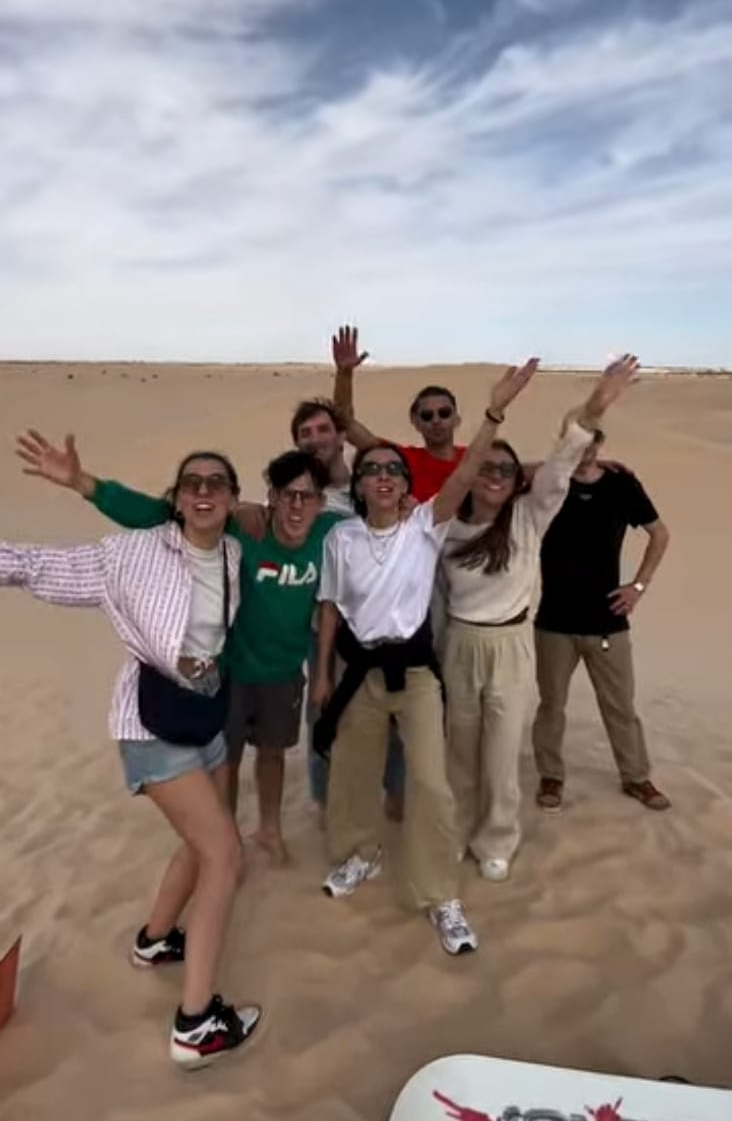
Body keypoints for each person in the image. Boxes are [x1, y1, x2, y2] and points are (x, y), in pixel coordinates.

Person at [1, 450, 261, 1069]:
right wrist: (83, 484)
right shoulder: (133, 553)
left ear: (231, 497)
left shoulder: (232, 553)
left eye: (216, 483)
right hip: (151, 726)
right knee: (225, 855)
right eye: (192, 483)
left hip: (203, 714)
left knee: (203, 839)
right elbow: (40, 566)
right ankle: (195, 1025)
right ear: (176, 498)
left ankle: (154, 941)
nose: (203, 492)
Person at [15, 431, 340, 863]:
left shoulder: (330, 532)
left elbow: (378, 525)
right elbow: (155, 513)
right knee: (226, 762)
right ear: (273, 498)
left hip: (284, 674)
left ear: (320, 502)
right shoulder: (240, 531)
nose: (298, 505)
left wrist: (406, 508)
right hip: (232, 672)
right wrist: (84, 484)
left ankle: (269, 830)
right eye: (288, 495)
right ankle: (226, 840)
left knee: (273, 754)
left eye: (308, 496)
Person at [310, 356, 539, 955]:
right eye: (372, 470)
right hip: (359, 672)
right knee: (353, 774)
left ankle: (442, 895)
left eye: (393, 469)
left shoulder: (425, 526)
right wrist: (322, 677)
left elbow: (465, 473)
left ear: (406, 483)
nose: (383, 476)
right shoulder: (341, 537)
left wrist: (494, 413)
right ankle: (360, 854)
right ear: (359, 485)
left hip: (414, 674)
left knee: (432, 786)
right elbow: (329, 608)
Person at [436, 357, 640, 884]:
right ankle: (455, 832)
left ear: (517, 481)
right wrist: (494, 410)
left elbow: (564, 460)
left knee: (502, 751)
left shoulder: (531, 516)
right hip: (460, 644)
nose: (496, 476)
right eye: (487, 468)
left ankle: (496, 839)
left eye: (506, 470)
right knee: (459, 750)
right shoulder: (446, 526)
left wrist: (595, 405)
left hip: (510, 646)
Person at [531, 418, 671, 812]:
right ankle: (551, 776)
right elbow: (500, 469)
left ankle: (637, 777)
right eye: (576, 441)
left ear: (601, 441)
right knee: (551, 705)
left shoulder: (621, 485)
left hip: (608, 619)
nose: (585, 449)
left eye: (592, 442)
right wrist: (558, 461)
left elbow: (660, 534)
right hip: (555, 621)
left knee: (620, 705)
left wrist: (638, 587)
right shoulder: (548, 482)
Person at [289, 398, 406, 816]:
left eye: (323, 429)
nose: (314, 439)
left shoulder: (371, 482)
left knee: (393, 713)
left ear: (341, 437)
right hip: (324, 629)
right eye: (305, 433)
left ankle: (397, 793)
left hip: (384, 626)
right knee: (324, 713)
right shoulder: (299, 496)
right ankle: (326, 800)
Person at [331, 326, 466, 503]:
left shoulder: (477, 459)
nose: (436, 420)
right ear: (415, 421)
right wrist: (344, 374)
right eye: (427, 415)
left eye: (444, 413)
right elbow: (346, 424)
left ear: (456, 419)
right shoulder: (403, 459)